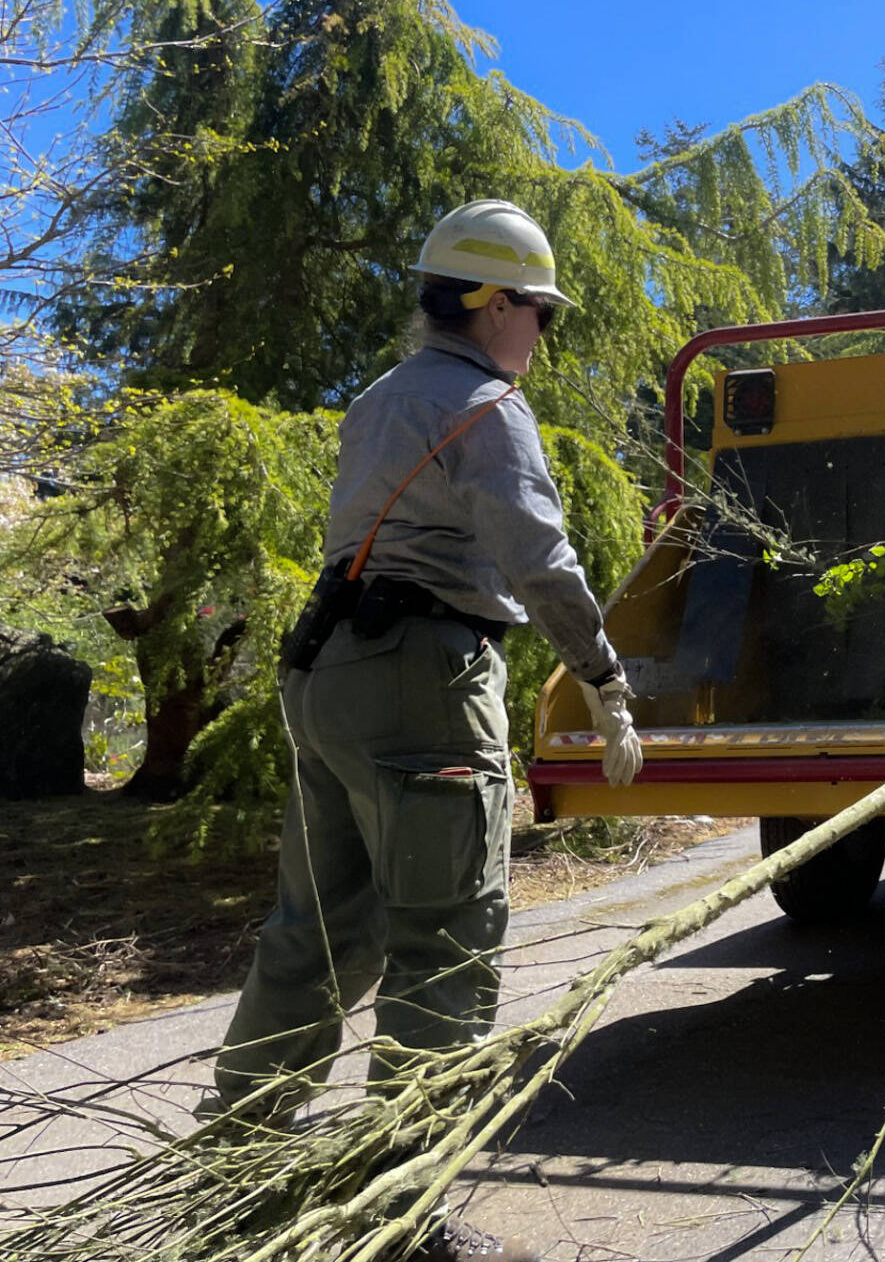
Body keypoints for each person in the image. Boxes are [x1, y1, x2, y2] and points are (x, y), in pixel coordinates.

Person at [209, 199, 644, 1262]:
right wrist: (604, 681)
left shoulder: (382, 398)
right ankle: (403, 1217)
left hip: (329, 675)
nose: (543, 335)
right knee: (444, 946)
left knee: (315, 937)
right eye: (541, 314)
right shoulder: (483, 408)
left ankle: (235, 1172)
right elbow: (541, 560)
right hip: (423, 679)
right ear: (494, 305)